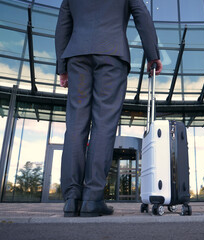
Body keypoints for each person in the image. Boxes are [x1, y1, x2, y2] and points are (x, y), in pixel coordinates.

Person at [55, 0, 162, 217]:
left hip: (77, 57)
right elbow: (142, 15)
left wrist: (62, 67)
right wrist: (153, 55)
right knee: (104, 124)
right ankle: (92, 198)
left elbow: (62, 27)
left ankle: (72, 198)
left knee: (75, 124)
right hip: (112, 54)